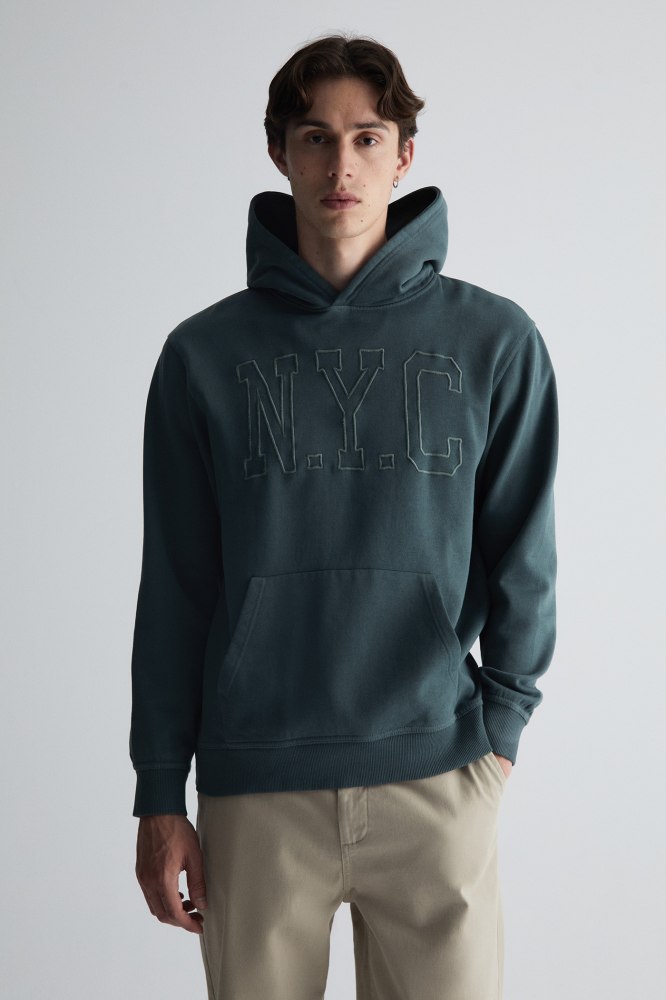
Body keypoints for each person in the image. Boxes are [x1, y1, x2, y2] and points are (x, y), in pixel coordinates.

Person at [130, 32, 558, 1000]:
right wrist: (159, 789)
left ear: (404, 155)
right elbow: (177, 586)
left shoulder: (493, 341)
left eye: (367, 137)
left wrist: (500, 731)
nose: (341, 165)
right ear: (278, 152)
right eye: (315, 138)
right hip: (255, 784)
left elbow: (524, 555)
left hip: (438, 772)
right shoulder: (204, 356)